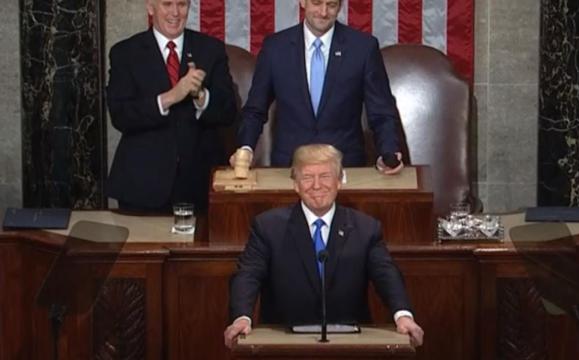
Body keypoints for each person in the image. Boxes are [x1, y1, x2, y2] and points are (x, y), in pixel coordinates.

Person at [224, 144, 423, 348]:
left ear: (339, 182)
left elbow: (386, 274)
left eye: (325, 176)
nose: (316, 185)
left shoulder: (365, 228)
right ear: (295, 184)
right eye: (308, 177)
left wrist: (403, 315)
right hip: (284, 343)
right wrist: (242, 318)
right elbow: (248, 274)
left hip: (350, 344)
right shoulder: (268, 227)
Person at [231, 0, 404, 175]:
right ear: (303, 2)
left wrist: (388, 153)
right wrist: (246, 149)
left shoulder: (363, 48)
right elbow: (255, 109)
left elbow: (381, 112)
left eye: (331, 5)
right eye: (317, 3)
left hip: (345, 168)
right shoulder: (275, 48)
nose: (323, 12)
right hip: (289, 168)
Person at [106, 0, 237, 212]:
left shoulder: (210, 49)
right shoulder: (125, 53)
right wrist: (171, 97)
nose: (175, 13)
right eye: (167, 4)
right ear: (150, 7)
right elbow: (120, 115)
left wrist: (200, 96)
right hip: (143, 185)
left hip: (199, 184)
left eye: (182, 5)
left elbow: (228, 111)